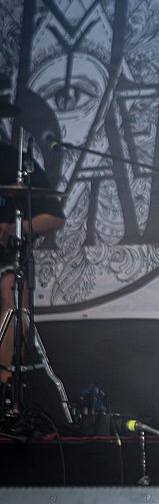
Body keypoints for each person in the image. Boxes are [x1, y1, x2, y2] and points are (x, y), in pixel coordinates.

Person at [0, 141, 65, 387]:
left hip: (6, 260)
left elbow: (54, 218)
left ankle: (6, 384)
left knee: (13, 292)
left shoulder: (14, 160)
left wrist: (15, 228)